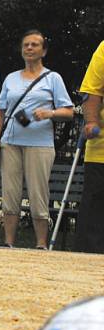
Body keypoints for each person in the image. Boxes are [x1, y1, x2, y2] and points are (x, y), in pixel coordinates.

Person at [0, 30, 73, 249]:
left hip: (40, 144)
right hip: (11, 142)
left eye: (34, 45)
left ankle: (41, 244)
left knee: (38, 193)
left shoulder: (53, 78)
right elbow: (0, 112)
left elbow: (69, 111)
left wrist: (50, 114)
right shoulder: (11, 78)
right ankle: (8, 242)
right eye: (26, 45)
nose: (29, 48)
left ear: (43, 50)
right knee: (10, 193)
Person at [75, 40, 104, 253]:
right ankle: (88, 262)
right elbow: (91, 90)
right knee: (94, 214)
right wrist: (92, 121)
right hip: (101, 151)